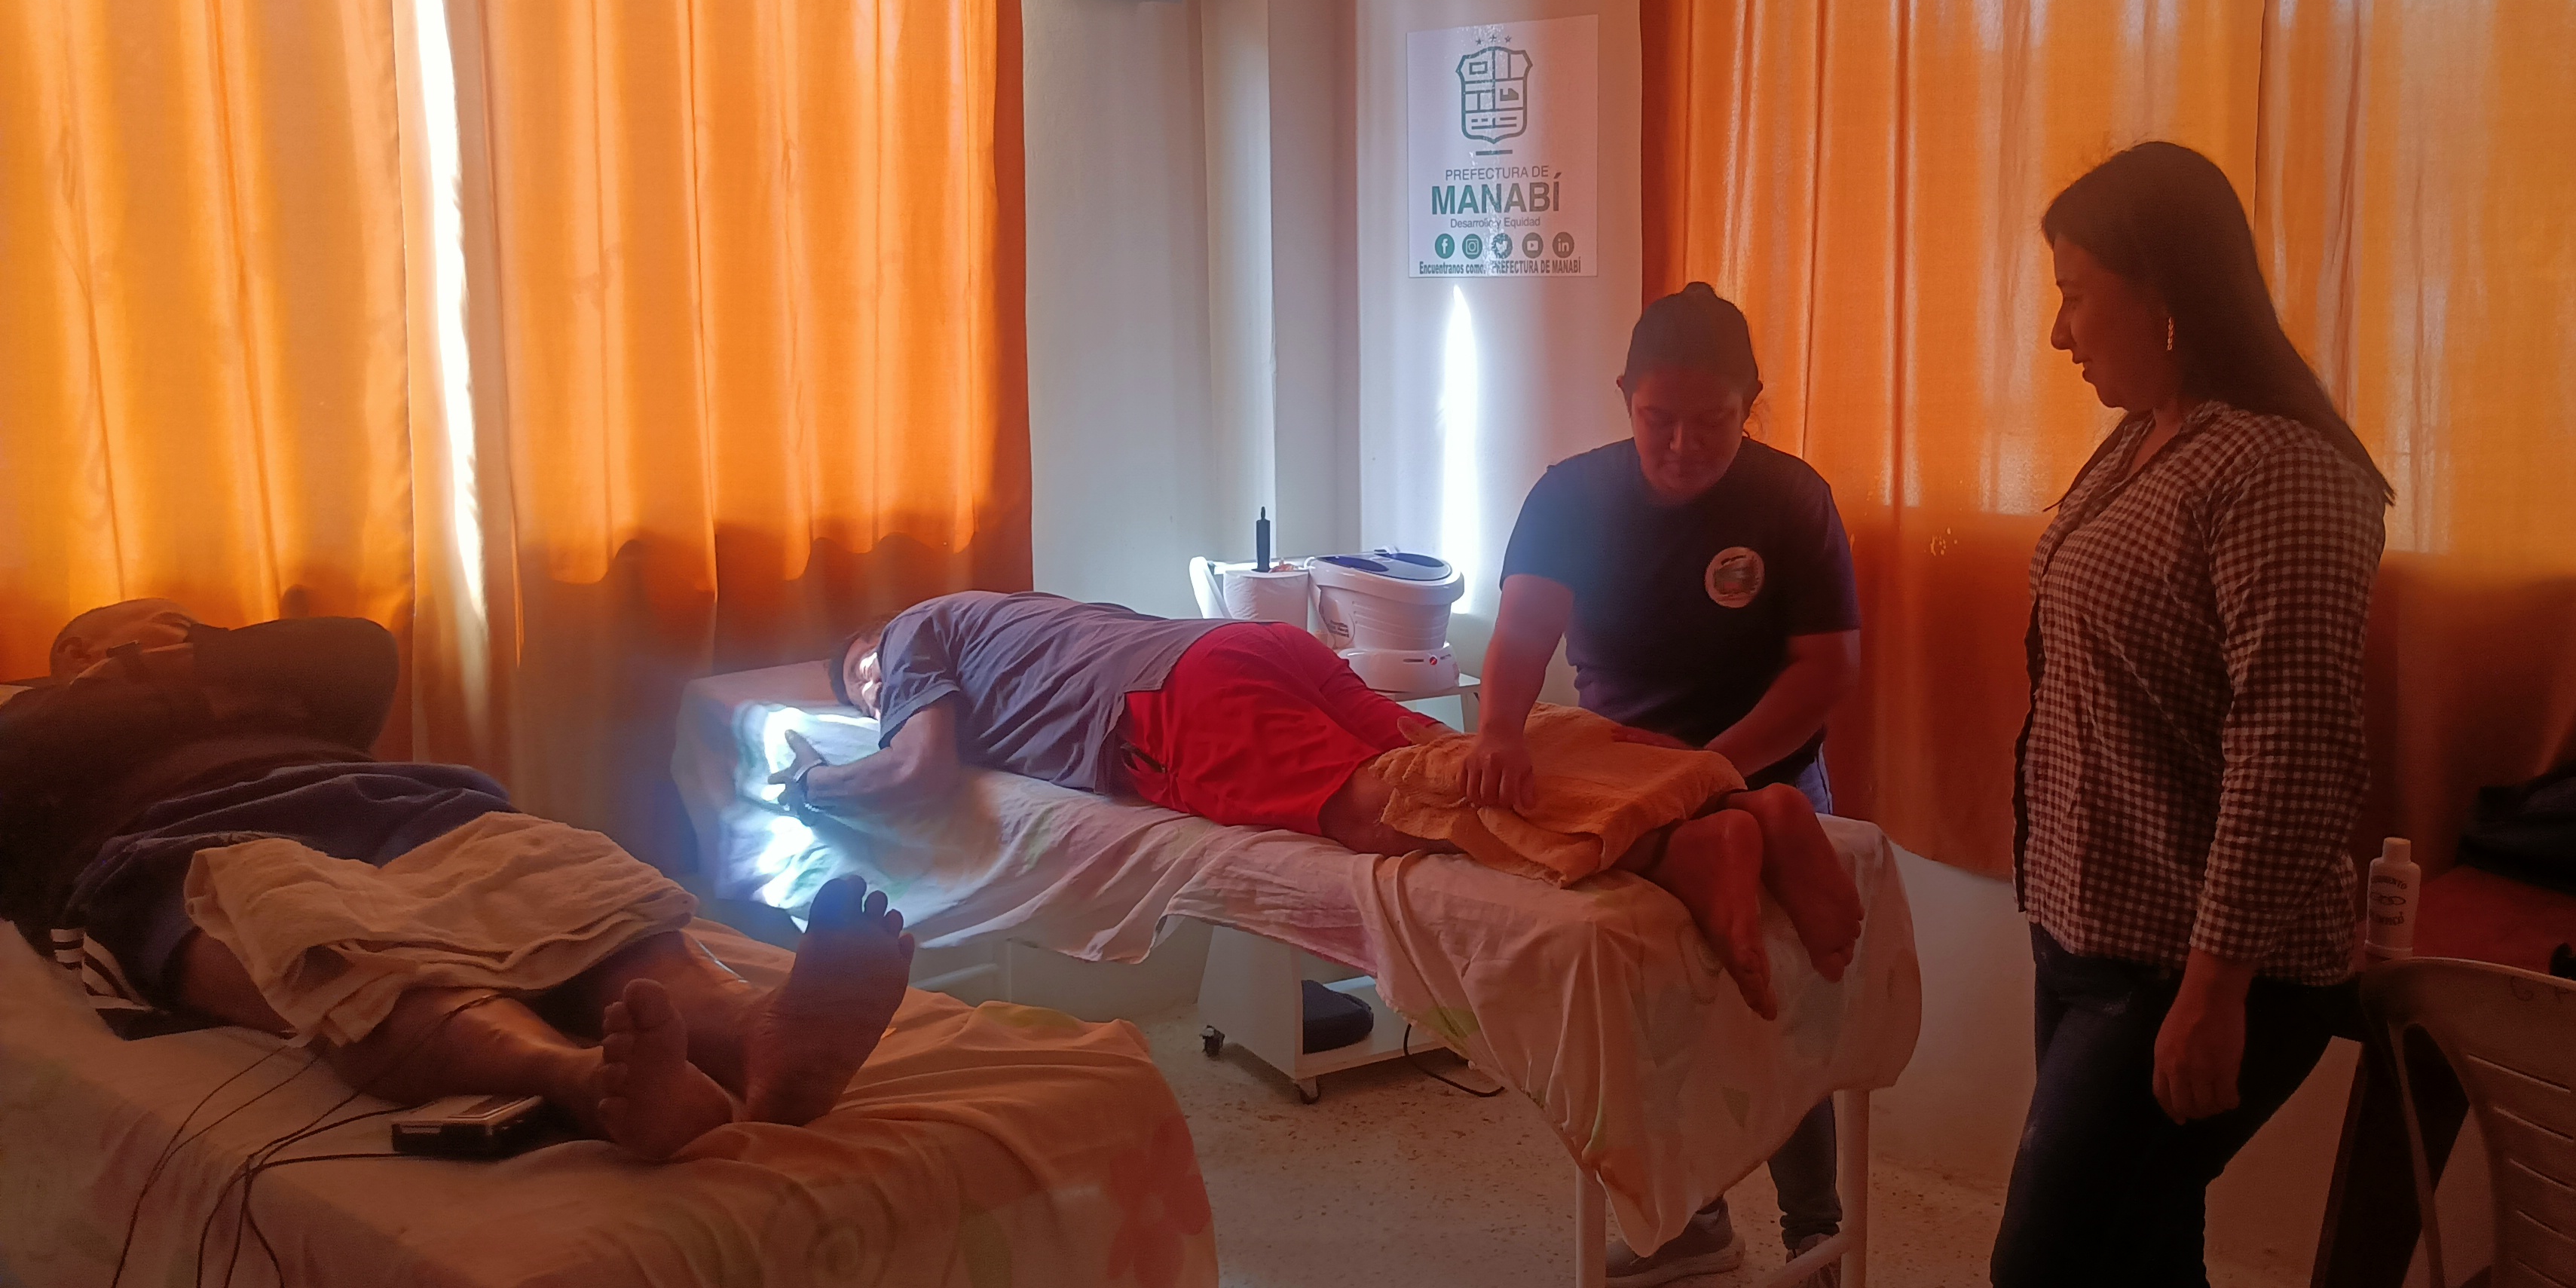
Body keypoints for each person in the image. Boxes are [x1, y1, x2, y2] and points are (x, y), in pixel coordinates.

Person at [0, 600, 915, 1161]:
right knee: (337, 950)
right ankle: (580, 1077)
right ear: (68, 661)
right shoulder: (40, 720)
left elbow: (359, 649)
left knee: (570, 891)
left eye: (174, 626)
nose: (149, 640)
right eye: (109, 638)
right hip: (184, 845)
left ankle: (757, 1034)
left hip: (401, 806)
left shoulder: (267, 682)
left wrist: (199, 659)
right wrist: (121, 684)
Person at [793, 591, 1861, 1020]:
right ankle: (1715, 800)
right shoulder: (1007, 611)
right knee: (1453, 755)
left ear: (875, 644)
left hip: (1172, 706)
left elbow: (919, 773)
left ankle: (1677, 853)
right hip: (1248, 646)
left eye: (864, 684)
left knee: (1378, 810)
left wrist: (815, 783)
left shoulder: (912, 636)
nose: (877, 700)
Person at [1989, 142, 2388, 1286]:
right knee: (2144, 1254)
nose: (2059, 334)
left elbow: (2293, 743)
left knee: (2048, 1268)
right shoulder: (2151, 434)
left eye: (2076, 295)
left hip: (2193, 963)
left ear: (2163, 290)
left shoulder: (2281, 470)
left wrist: (2216, 988)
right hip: (2090, 930)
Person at [1476, 282, 1865, 1286]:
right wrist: (1500, 730)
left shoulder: (1789, 499)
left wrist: (1714, 769)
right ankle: (1691, 1220)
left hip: (1763, 769)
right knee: (1651, 1015)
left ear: (1751, 405)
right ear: (1625, 398)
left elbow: (1826, 670)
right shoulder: (1572, 495)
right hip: (1629, 788)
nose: (1683, 445)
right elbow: (1524, 626)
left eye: (1712, 422)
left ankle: (1813, 1236)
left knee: (1778, 1012)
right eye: (1659, 419)